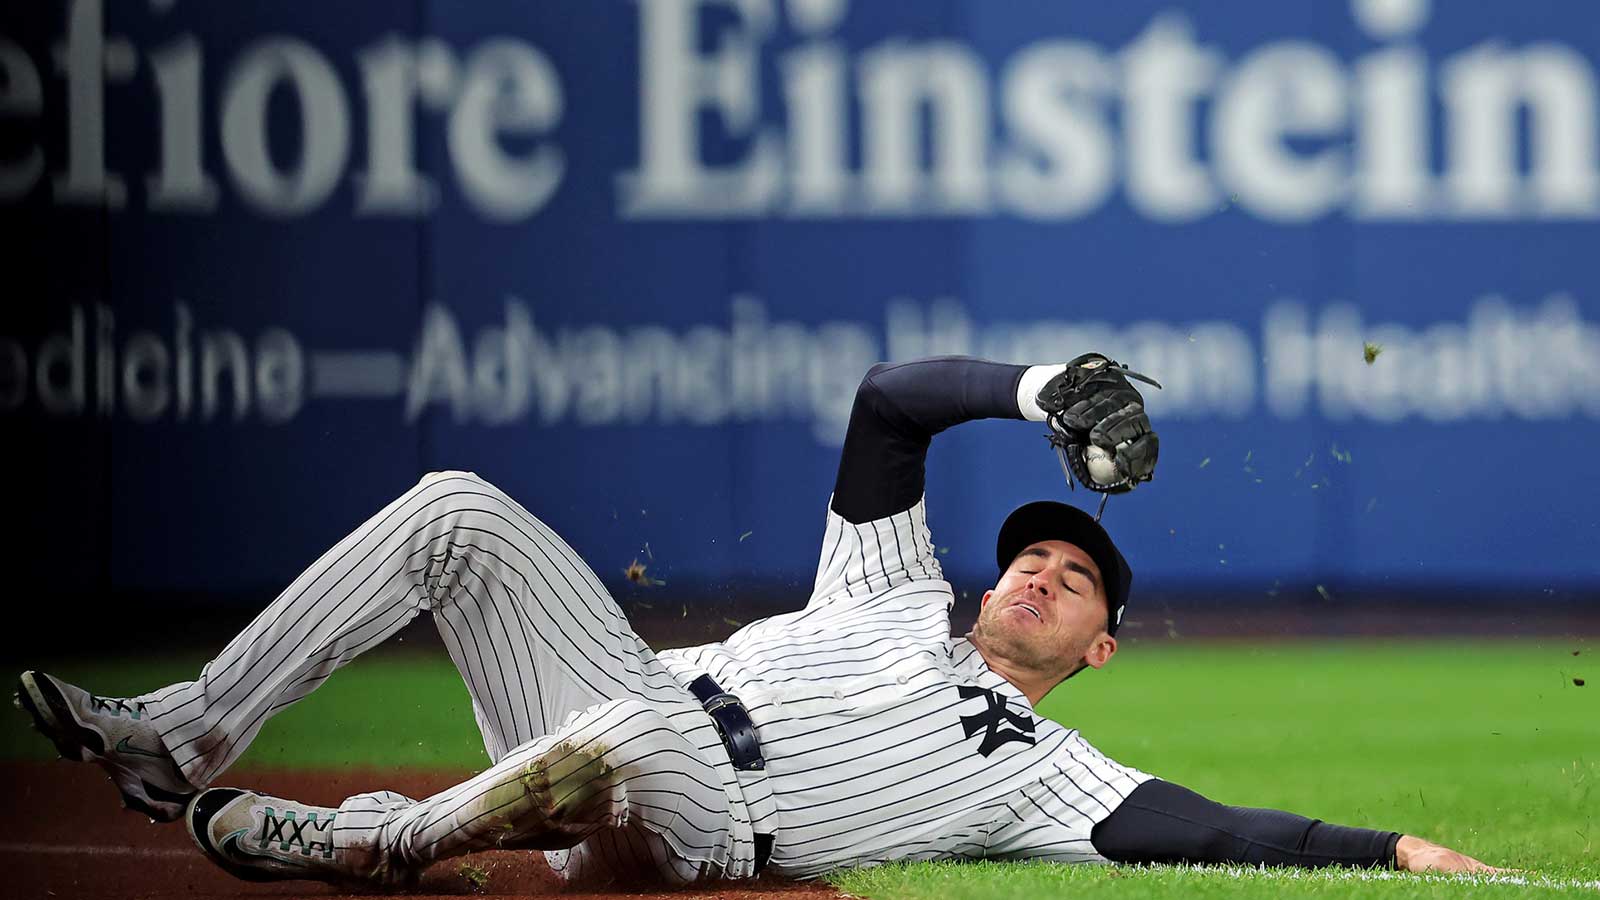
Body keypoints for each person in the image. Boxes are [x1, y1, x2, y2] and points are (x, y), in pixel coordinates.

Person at [16, 355, 1501, 887]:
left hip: (701, 811)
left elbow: (1218, 832)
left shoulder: (1048, 776)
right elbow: (888, 406)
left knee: (634, 729)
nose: (1045, 572)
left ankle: (364, 848)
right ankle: (184, 734)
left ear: (1098, 651)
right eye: (1032, 557)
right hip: (601, 723)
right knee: (459, 504)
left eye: (1079, 580)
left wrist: (1390, 852)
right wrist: (1040, 388)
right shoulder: (888, 586)